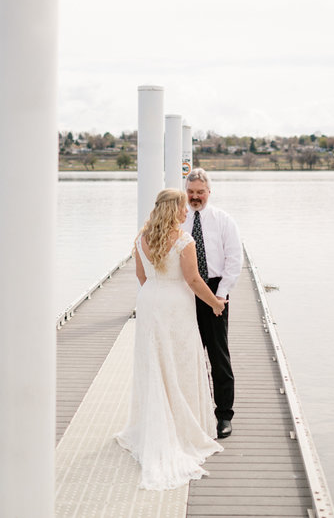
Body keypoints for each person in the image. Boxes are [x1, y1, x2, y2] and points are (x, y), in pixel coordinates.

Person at [116, 188, 226, 490]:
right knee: (180, 362)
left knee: (153, 361)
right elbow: (192, 280)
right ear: (174, 208)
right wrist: (216, 302)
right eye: (182, 207)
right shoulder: (183, 240)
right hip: (176, 304)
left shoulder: (141, 238)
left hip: (150, 299)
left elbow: (141, 275)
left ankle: (151, 423)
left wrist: (155, 291)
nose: (185, 212)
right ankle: (180, 428)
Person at [184, 168, 242, 439]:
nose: (195, 197)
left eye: (200, 192)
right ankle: (192, 411)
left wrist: (222, 294)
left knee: (219, 356)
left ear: (209, 193)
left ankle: (223, 415)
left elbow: (234, 259)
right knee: (187, 353)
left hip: (216, 290)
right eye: (191, 192)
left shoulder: (223, 220)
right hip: (184, 292)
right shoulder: (179, 219)